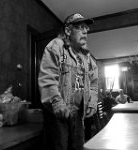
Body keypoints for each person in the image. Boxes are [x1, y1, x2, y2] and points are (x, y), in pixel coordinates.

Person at [38, 13, 98, 150]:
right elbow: (47, 77)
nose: (85, 31)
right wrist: (57, 102)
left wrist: (93, 102)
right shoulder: (56, 46)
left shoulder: (87, 57)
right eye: (79, 27)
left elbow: (94, 81)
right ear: (68, 30)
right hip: (58, 115)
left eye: (86, 28)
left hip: (78, 114)